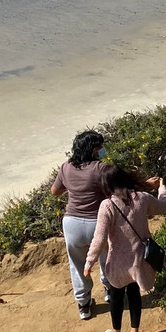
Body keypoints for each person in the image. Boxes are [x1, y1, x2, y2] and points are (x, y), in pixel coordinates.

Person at [83, 166, 166, 332]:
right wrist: (162, 187)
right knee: (134, 294)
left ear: (106, 185)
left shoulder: (107, 205)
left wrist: (89, 263)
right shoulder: (142, 198)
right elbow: (164, 206)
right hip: (139, 261)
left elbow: (99, 239)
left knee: (116, 296)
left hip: (117, 263)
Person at [51, 130, 111, 320]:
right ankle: (110, 291)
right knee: (107, 256)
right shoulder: (100, 168)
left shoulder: (66, 167)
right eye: (100, 147)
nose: (102, 150)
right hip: (97, 221)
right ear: (93, 150)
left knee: (77, 264)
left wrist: (73, 187)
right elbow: (114, 191)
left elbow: (55, 191)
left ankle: (84, 305)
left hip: (72, 223)